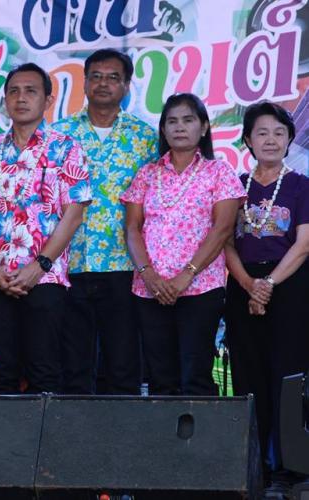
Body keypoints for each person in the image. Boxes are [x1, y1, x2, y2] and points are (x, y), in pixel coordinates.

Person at [0, 63, 91, 395]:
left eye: (30, 91)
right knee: (1, 376)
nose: (21, 98)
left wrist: (39, 266)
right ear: (4, 100)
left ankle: (45, 434)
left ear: (48, 100)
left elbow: (73, 215)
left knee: (45, 374)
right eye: (13, 91)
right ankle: (3, 434)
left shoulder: (66, 148)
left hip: (45, 279)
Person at [121, 93, 245, 396]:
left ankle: (200, 430)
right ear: (163, 130)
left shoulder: (219, 172)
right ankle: (164, 431)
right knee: (160, 379)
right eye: (172, 121)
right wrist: (150, 276)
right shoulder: (147, 174)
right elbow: (132, 228)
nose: (179, 127)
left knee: (195, 377)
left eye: (188, 120)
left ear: (203, 127)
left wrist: (185, 276)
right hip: (150, 290)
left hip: (201, 289)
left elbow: (222, 229)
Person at [52, 49, 158, 395]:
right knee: (72, 367)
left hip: (124, 265)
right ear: (85, 82)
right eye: (96, 76)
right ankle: (71, 429)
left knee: (123, 366)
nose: (103, 84)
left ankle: (122, 430)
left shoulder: (145, 138)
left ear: (126, 86)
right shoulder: (59, 134)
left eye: (113, 78)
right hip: (69, 263)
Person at [224, 101, 309, 495]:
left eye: (279, 132)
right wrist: (249, 285)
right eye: (262, 132)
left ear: (290, 139)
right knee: (248, 375)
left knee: (288, 376)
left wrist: (269, 284)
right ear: (247, 140)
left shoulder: (301, 185)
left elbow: (304, 244)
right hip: (243, 286)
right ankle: (252, 466)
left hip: (290, 285)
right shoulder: (234, 186)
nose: (271, 139)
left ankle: (289, 468)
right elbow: (225, 242)